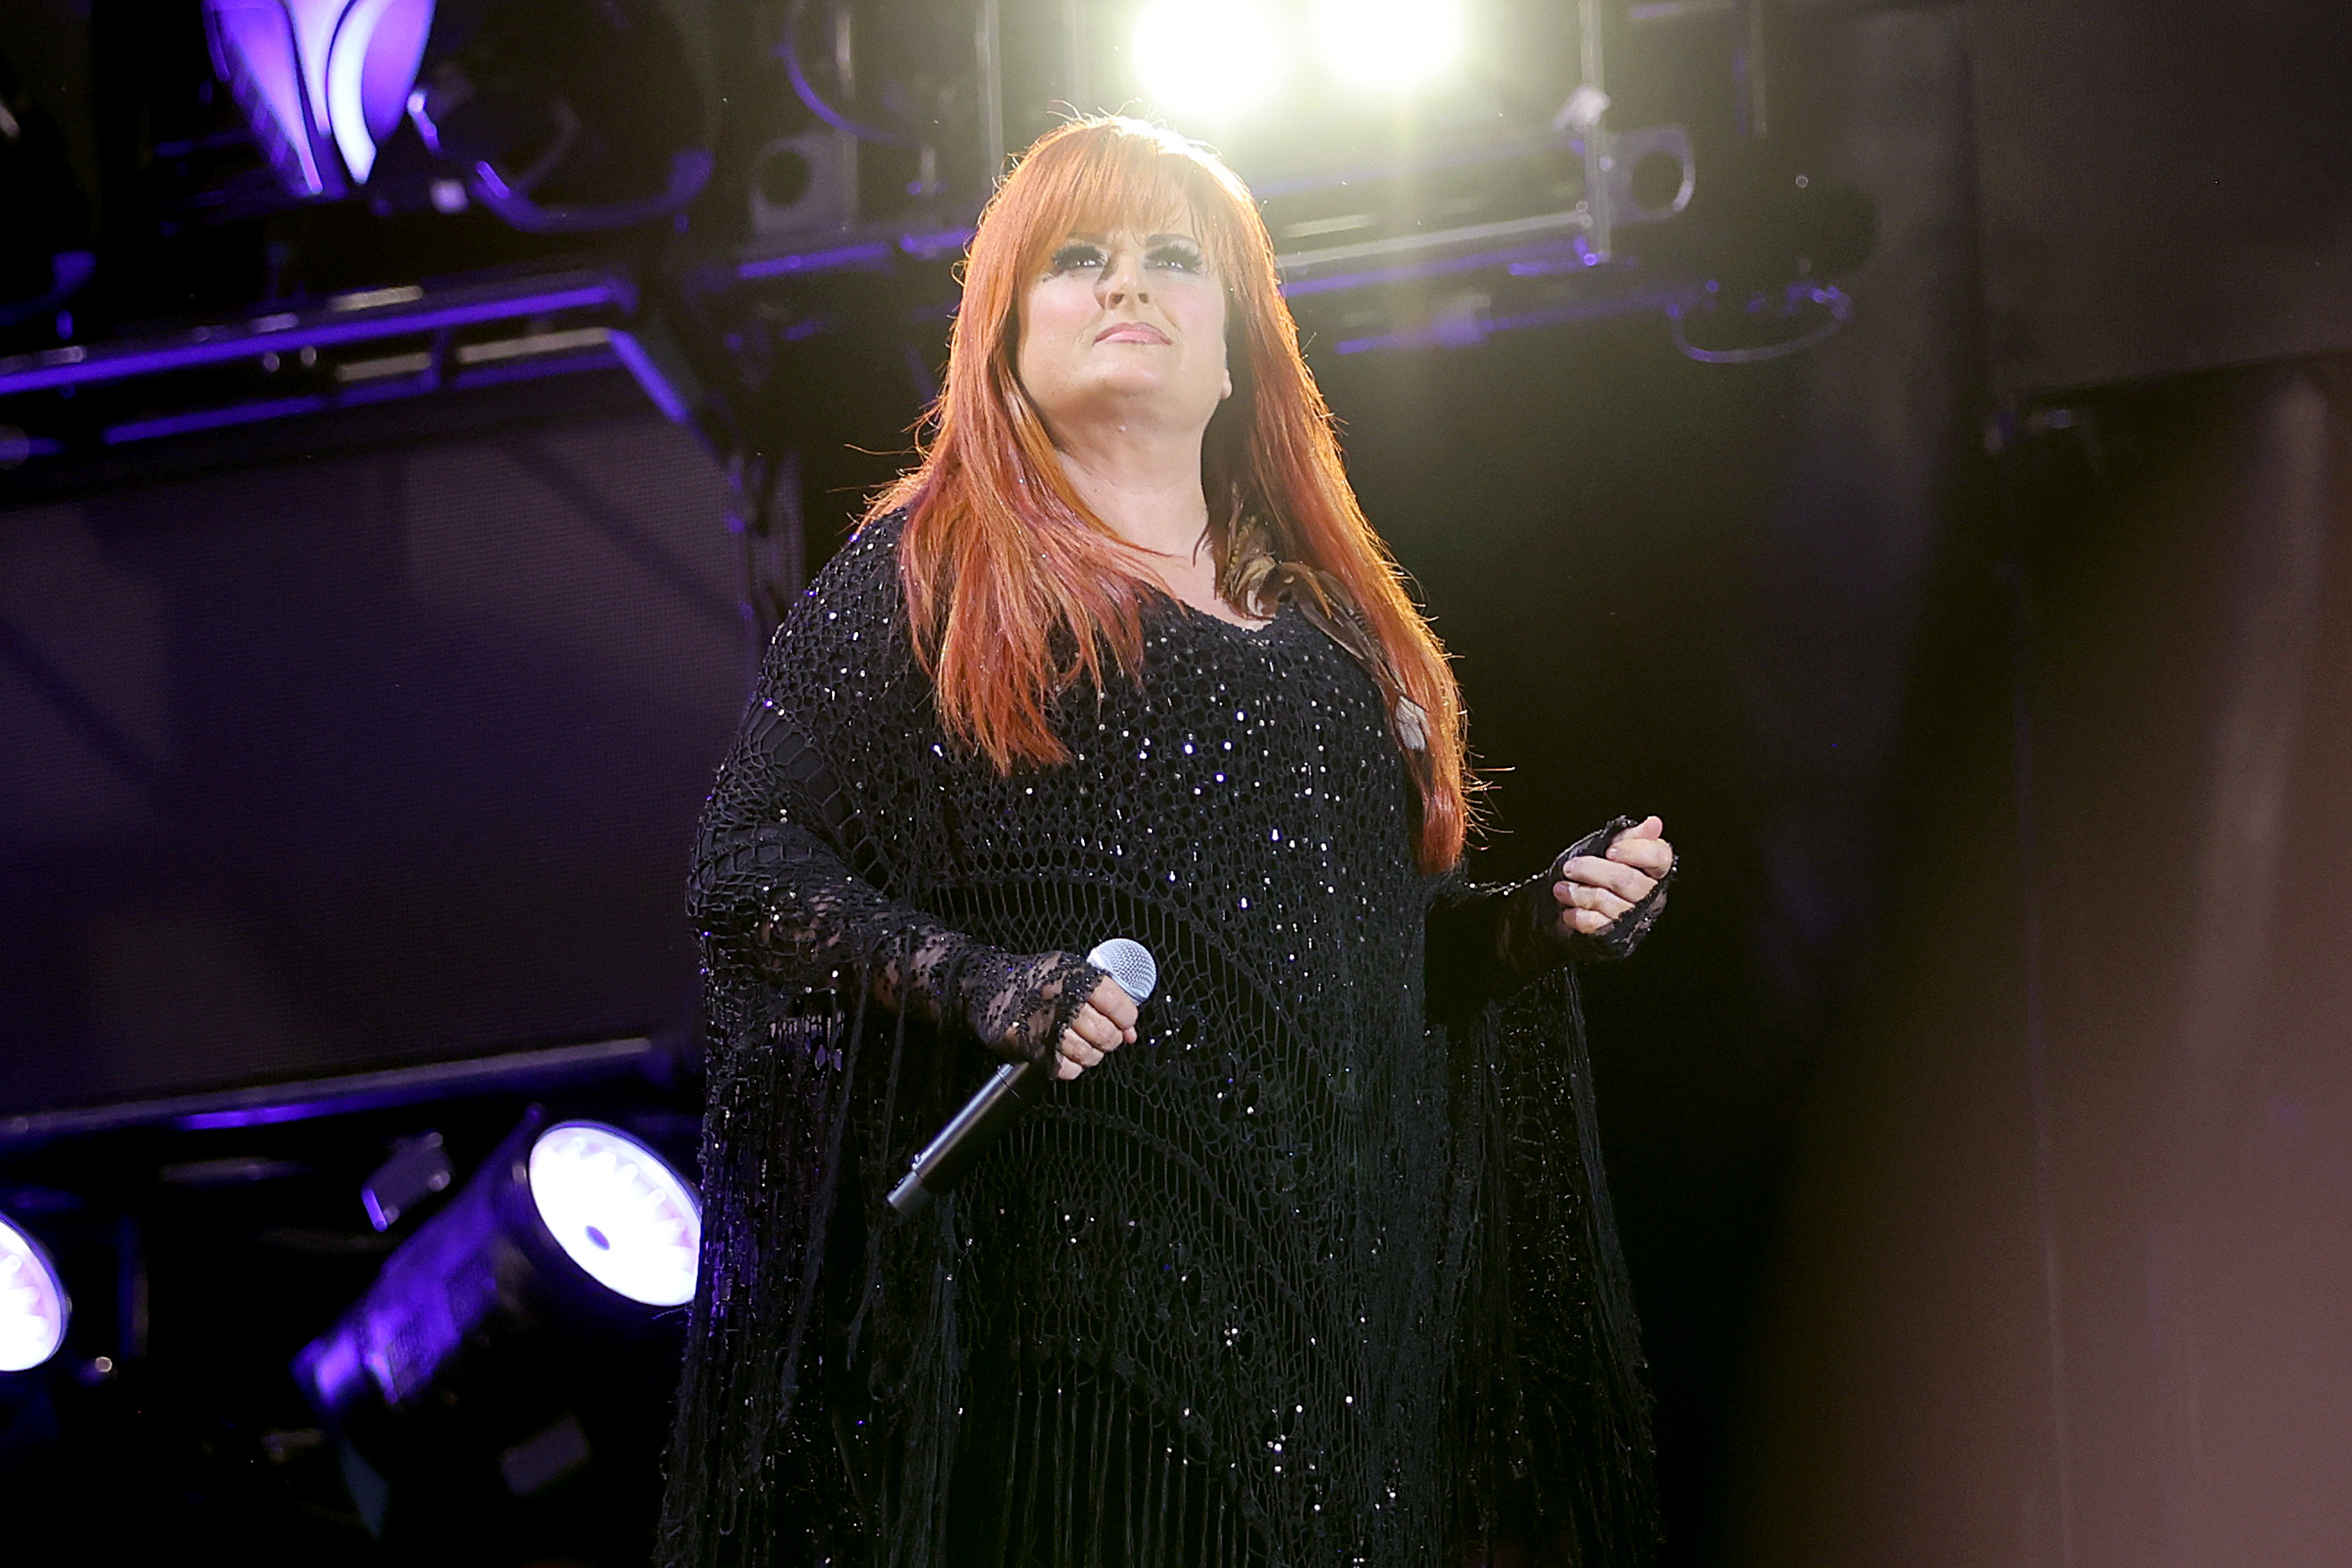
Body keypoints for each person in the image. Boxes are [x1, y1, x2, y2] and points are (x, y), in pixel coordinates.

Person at [659, 116, 1674, 1568]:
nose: (1125, 283)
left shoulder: (1332, 642)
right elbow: (746, 868)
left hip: (1333, 1358)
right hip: (1061, 1349)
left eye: (1170, 260)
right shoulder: (925, 578)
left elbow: (1391, 963)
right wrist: (982, 984)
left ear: (1235, 349)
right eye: (1077, 259)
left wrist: (1536, 921)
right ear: (1000, 337)